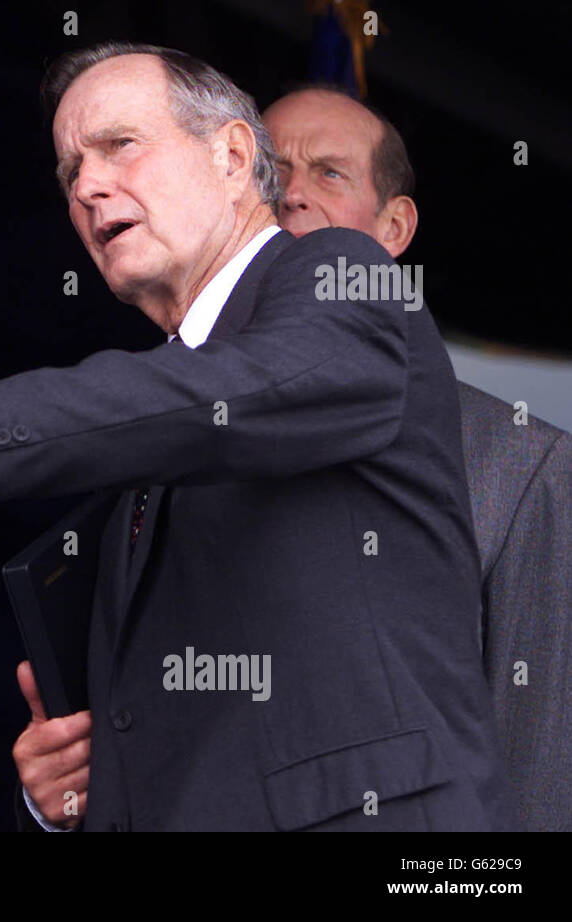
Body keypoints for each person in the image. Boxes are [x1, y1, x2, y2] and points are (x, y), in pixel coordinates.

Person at [0, 43, 509, 830]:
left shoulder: (341, 274)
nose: (86, 186)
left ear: (232, 155)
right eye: (68, 171)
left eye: (119, 145)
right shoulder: (151, 441)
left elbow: (238, 390)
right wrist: (60, 799)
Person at [264, 87, 571, 831]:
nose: (293, 194)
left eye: (328, 174)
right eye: (269, 178)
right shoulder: (169, 434)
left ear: (394, 227)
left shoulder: (518, 458)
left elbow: (535, 772)